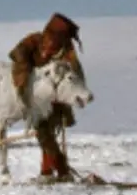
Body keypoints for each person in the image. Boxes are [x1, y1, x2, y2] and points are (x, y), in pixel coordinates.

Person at [8, 12, 85, 181]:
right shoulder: (33, 41)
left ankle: (52, 171)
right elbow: (17, 56)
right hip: (34, 97)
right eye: (49, 39)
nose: (50, 46)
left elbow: (75, 76)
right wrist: (25, 79)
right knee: (44, 132)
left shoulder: (67, 52)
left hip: (57, 100)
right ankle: (55, 170)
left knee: (46, 132)